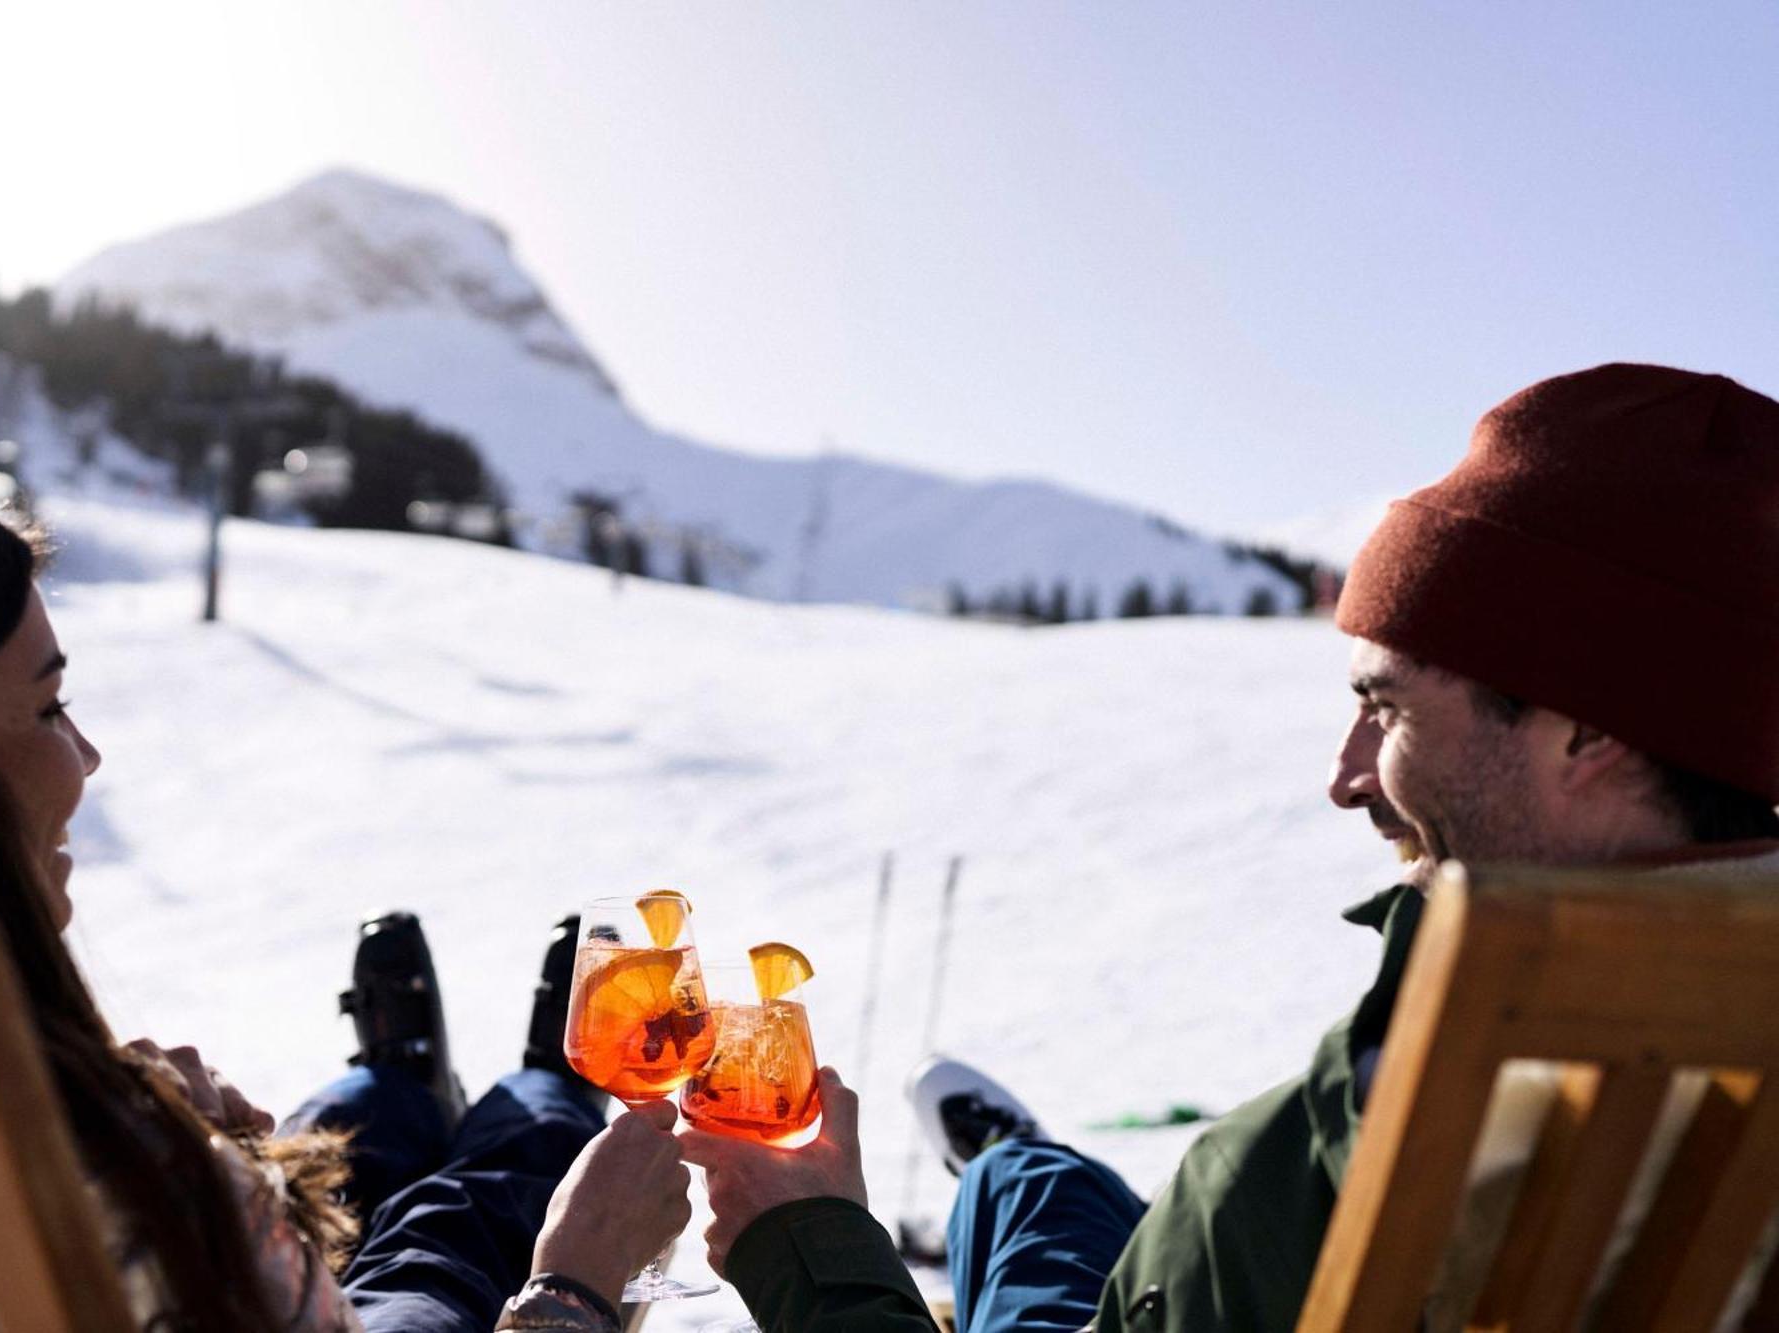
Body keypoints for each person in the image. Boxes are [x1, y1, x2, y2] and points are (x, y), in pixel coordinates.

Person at [686, 362, 1779, 1331]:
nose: (1345, 775)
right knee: (1038, 1187)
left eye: (1385, 710)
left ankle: (1004, 1166)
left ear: (1584, 728)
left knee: (1022, 1204)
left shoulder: (1447, 1103)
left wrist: (807, 1246)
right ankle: (1010, 1157)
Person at [0, 470, 690, 1333]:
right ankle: (548, 1089)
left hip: (234, 1253)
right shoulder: (74, 1186)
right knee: (448, 1226)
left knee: (363, 1117)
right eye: (51, 707)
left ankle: (407, 1074)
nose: (86, 755)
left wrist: (161, 1128)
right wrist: (578, 1283)